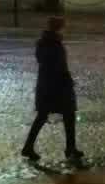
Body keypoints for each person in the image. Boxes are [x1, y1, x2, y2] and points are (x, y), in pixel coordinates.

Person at [22, 15, 81, 163]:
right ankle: (70, 148)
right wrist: (67, 80)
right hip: (57, 86)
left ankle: (29, 147)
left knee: (44, 116)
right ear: (59, 28)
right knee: (68, 115)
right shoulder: (54, 43)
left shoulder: (44, 42)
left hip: (46, 85)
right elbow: (59, 66)